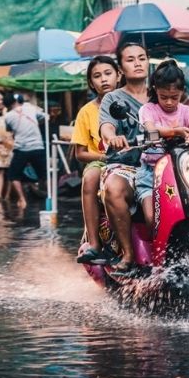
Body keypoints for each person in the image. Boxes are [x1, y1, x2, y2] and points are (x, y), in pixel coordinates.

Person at [98, 43, 150, 275]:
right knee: (113, 189)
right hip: (125, 165)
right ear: (120, 70)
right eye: (130, 60)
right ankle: (128, 254)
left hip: (160, 165)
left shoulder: (163, 94)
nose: (137, 63)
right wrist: (113, 137)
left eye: (142, 58)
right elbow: (106, 127)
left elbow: (187, 118)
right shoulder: (113, 99)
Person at [136, 60, 189, 225]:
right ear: (155, 90)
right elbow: (150, 129)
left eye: (175, 97)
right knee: (152, 219)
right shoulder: (148, 110)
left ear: (182, 92)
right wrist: (175, 131)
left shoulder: (186, 110)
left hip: (180, 172)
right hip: (150, 173)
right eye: (164, 97)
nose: (170, 102)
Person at [73, 55, 120, 265]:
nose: (104, 80)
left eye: (108, 73)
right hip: (101, 163)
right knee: (90, 176)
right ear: (91, 83)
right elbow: (80, 153)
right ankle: (94, 243)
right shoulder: (86, 112)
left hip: (136, 161)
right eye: (97, 76)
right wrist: (105, 157)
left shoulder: (132, 101)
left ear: (118, 75)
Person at [3, 93, 46, 209]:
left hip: (21, 149)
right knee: (44, 175)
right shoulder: (30, 107)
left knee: (13, 175)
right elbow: (45, 117)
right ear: (17, 100)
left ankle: (22, 199)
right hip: (37, 146)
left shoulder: (8, 116)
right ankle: (48, 195)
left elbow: (9, 130)